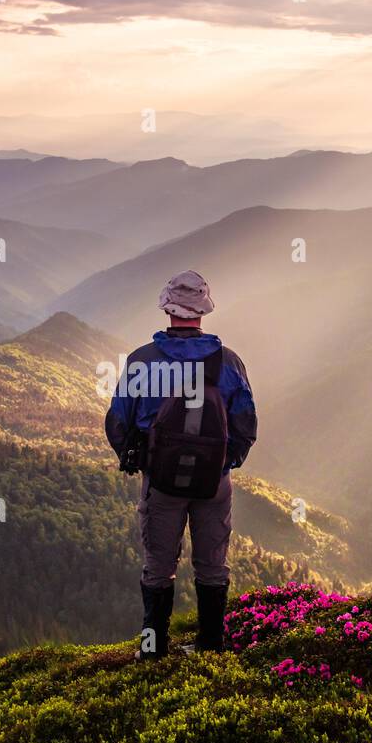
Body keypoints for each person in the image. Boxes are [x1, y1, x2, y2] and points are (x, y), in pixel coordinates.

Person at [105, 270, 257, 658]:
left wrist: (137, 460)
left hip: (162, 483)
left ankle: (153, 651)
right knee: (212, 565)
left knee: (158, 566)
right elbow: (245, 424)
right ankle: (211, 647)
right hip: (213, 482)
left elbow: (118, 422)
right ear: (203, 310)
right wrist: (225, 462)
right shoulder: (229, 363)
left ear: (167, 308)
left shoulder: (142, 361)